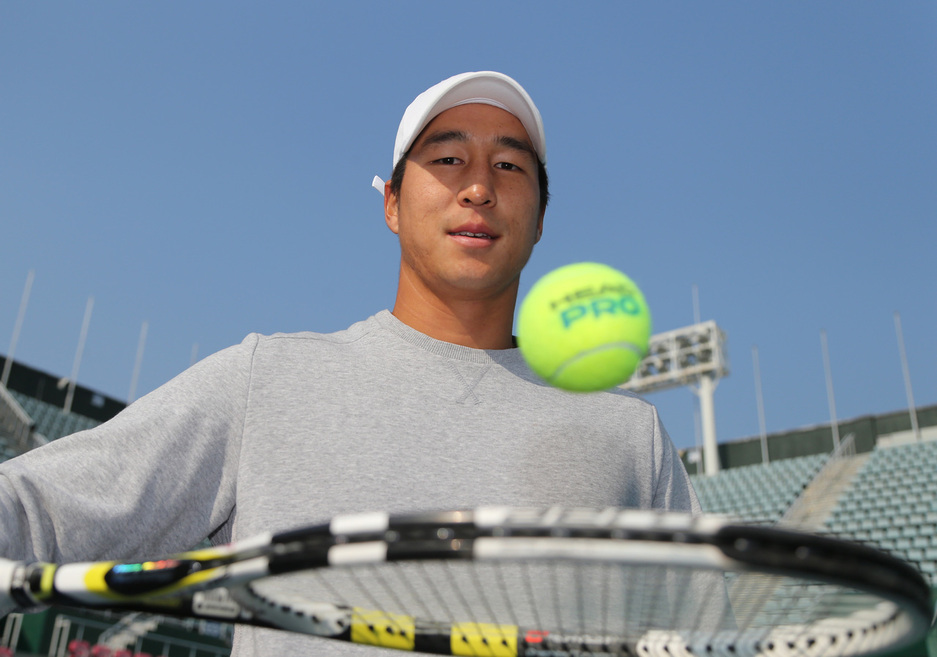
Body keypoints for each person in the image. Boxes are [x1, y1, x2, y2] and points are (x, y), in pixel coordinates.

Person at [0, 71, 702, 656]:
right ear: (392, 203)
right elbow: (34, 510)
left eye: (510, 165)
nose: (479, 187)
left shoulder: (628, 435)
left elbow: (697, 634)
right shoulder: (266, 378)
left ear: (541, 217)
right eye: (448, 159)